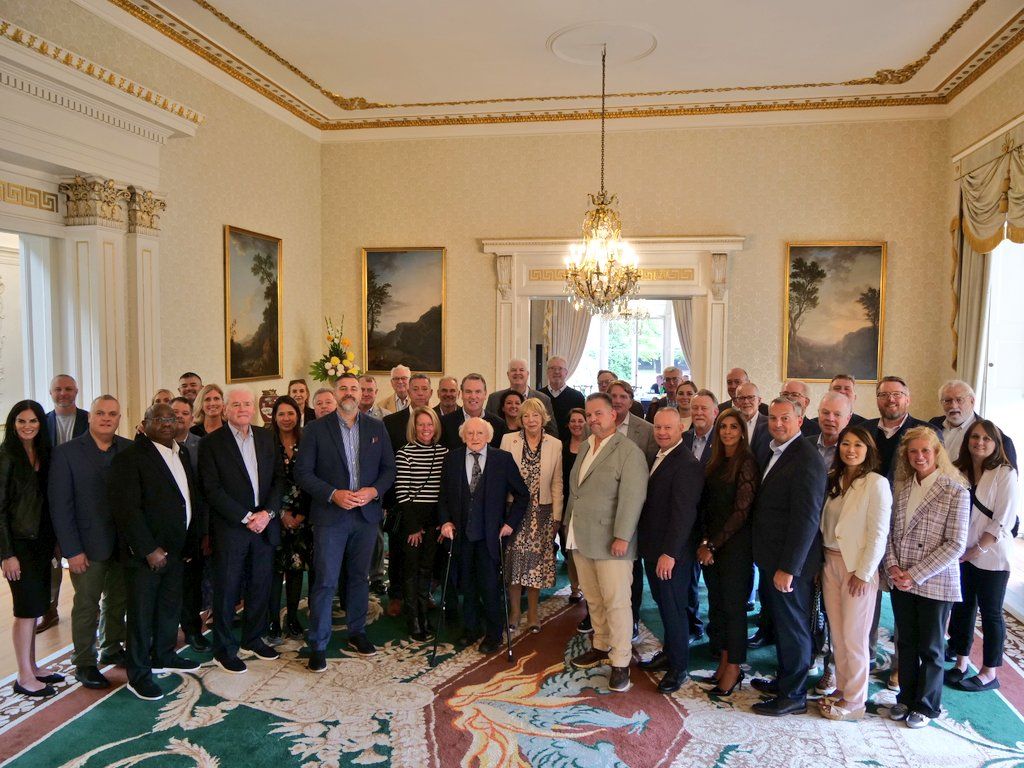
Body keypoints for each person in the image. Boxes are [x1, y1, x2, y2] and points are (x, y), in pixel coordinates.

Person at [295, 374, 396, 671]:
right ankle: (318, 643)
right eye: (344, 388)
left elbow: (389, 469)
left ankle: (357, 632)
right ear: (335, 393)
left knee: (359, 578)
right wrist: (332, 494)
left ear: (362, 392)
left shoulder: (377, 428)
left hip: (365, 517)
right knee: (325, 581)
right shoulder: (315, 429)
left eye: (355, 388)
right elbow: (303, 473)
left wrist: (374, 490)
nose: (350, 393)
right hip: (331, 517)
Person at [109, 404, 204, 701]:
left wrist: (192, 542)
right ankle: (138, 675)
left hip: (177, 550)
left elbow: (188, 499)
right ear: (144, 423)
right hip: (146, 555)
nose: (166, 423)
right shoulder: (130, 457)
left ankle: (164, 654)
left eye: (171, 418)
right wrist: (149, 549)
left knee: (168, 608)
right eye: (159, 419)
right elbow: (127, 510)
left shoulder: (182, 452)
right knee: (141, 614)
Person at [885, 426, 969, 729]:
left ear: (936, 453)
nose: (919, 456)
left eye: (925, 451)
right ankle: (906, 698)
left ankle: (928, 705)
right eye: (913, 451)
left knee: (932, 648)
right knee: (905, 642)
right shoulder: (902, 485)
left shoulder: (955, 490)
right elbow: (891, 531)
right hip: (900, 578)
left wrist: (914, 575)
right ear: (906, 455)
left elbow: (956, 544)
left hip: (934, 580)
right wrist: (894, 568)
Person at [565, 393, 648, 693]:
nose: (592, 419)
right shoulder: (586, 446)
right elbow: (577, 490)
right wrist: (567, 525)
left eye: (598, 413)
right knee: (594, 598)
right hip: (581, 535)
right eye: (589, 415)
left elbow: (633, 496)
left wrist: (622, 536)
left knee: (616, 602)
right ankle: (600, 645)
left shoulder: (629, 451)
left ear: (613, 414)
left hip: (613, 541)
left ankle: (621, 662)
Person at [749, 397, 827, 717]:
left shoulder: (807, 458)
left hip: (790, 564)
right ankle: (785, 680)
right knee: (782, 624)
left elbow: (807, 519)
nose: (778, 424)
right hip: (772, 557)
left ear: (800, 419)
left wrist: (788, 568)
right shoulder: (773, 449)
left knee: (794, 627)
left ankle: (794, 695)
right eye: (773, 419)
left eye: (785, 419)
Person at [198, 386, 285, 673]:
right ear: (225, 409)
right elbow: (212, 489)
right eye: (236, 404)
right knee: (227, 589)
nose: (243, 409)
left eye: (247, 404)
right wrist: (247, 517)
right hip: (232, 528)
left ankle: (252, 638)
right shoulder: (212, 443)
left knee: (260, 585)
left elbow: (278, 480)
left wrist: (268, 514)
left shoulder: (265, 437)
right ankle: (223, 649)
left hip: (264, 527)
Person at [49, 395, 132, 689]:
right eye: (100, 413)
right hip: (85, 546)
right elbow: (61, 507)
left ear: (119, 418)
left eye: (112, 414)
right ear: (90, 417)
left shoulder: (129, 449)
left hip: (122, 546)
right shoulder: (67, 453)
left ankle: (112, 646)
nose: (106, 418)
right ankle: (84, 661)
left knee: (118, 600)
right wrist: (72, 551)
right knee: (86, 605)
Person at [818, 426, 893, 722]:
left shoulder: (876, 483)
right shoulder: (834, 479)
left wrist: (864, 573)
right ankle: (843, 689)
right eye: (846, 444)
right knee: (837, 633)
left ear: (868, 450)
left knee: (854, 636)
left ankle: (856, 700)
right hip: (830, 562)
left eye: (858, 445)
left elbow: (879, 533)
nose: (850, 449)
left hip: (856, 568)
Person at [439, 417, 529, 654]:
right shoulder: (453, 458)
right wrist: (445, 521)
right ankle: (471, 629)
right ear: (463, 436)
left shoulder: (502, 459)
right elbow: (443, 497)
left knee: (489, 586)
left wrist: (510, 524)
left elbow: (522, 495)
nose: (475, 438)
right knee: (466, 585)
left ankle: (493, 633)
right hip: (461, 535)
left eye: (480, 433)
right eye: (470, 433)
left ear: (488, 436)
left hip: (490, 536)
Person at [946, 420, 1018, 692]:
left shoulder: (1005, 473)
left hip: (992, 555)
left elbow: (1003, 519)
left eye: (987, 438)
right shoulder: (958, 469)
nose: (980, 442)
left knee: (990, 613)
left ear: (996, 443)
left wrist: (977, 549)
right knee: (963, 608)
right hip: (960, 552)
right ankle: (961, 663)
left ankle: (990, 672)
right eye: (975, 437)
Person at [636, 408, 704, 693]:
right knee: (664, 606)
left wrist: (670, 554)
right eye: (658, 428)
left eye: (668, 428)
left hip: (670, 554)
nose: (662, 432)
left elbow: (683, 515)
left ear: (681, 429)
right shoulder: (659, 455)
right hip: (654, 548)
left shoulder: (686, 463)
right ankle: (670, 654)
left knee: (675, 609)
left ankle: (678, 668)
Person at [1, 400, 62, 697]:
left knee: (38, 605)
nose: (28, 426)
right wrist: (6, 554)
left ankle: (34, 666)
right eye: (22, 421)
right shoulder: (5, 457)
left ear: (41, 424)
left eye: (33, 421)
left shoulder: (44, 453)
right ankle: (24, 676)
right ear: (13, 424)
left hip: (41, 542)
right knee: (26, 610)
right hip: (19, 545)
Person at [695, 408, 757, 697]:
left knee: (734, 610)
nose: (728, 432)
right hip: (712, 546)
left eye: (734, 427)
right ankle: (723, 662)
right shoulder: (716, 461)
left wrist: (713, 545)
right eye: (723, 427)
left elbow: (741, 512)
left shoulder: (747, 462)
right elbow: (707, 505)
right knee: (718, 607)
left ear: (742, 431)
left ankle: (734, 667)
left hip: (735, 548)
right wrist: (706, 539)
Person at [502, 398, 563, 633]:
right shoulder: (509, 440)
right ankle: (516, 611)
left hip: (543, 512)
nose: (530, 420)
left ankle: (534, 613)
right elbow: (502, 478)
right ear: (521, 419)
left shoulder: (555, 444)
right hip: (515, 512)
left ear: (543, 417)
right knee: (515, 562)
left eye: (535, 415)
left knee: (536, 565)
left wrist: (557, 516)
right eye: (526, 416)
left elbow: (557, 482)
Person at [393, 407, 448, 640]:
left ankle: (424, 614)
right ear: (413, 428)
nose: (425, 429)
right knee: (411, 571)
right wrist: (413, 527)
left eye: (429, 424)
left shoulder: (444, 452)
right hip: (412, 520)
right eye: (421, 424)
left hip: (435, 520)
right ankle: (413, 618)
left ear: (435, 426)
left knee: (427, 569)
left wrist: (442, 523)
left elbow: (445, 492)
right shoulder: (405, 453)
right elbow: (402, 494)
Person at [41, 374, 89, 632]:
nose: (63, 393)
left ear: (76, 391)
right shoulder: (41, 422)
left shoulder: (89, 419)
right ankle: (50, 609)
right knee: (52, 558)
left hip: (82, 499)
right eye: (58, 389)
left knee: (82, 556)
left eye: (68, 389)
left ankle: (89, 606)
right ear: (50, 392)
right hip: (49, 498)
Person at [268, 396, 312, 641]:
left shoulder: (307, 441)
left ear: (298, 415)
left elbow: (313, 477)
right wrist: (282, 513)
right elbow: (265, 482)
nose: (286, 418)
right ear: (274, 417)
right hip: (275, 515)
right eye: (281, 414)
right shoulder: (266, 443)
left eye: (291, 413)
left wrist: (302, 513)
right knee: (274, 570)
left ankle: (292, 617)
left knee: (296, 569)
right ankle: (273, 620)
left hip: (302, 514)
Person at [171, 396, 209, 652]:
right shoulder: (153, 445)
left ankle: (193, 630)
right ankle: (164, 634)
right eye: (175, 413)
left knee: (193, 584)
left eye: (185, 413)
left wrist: (205, 531)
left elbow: (208, 490)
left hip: (195, 525)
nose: (180, 417)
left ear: (192, 418)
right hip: (166, 528)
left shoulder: (202, 446)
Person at [929, 380, 1017, 467]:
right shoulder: (933, 425)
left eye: (959, 400)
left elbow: (1008, 474)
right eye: (947, 401)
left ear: (972, 401)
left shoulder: (995, 435)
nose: (953, 406)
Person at [865, 376, 938, 478]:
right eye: (884, 394)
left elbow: (937, 471)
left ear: (907, 400)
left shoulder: (929, 431)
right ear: (877, 400)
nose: (890, 399)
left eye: (897, 394)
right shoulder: (863, 429)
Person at [440, 374, 508, 450]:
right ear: (462, 394)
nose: (473, 396)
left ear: (485, 394)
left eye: (478, 392)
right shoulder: (445, 423)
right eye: (468, 391)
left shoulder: (499, 425)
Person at [560, 408, 586, 603]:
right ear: (568, 424)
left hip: (586, 503)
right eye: (573, 421)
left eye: (580, 420)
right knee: (570, 548)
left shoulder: (591, 445)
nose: (577, 424)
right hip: (566, 503)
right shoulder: (562, 446)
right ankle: (575, 588)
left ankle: (588, 586)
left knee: (585, 549)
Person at [539, 356, 585, 436]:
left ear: (566, 372)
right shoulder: (538, 396)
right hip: (543, 443)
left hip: (569, 444)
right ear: (547, 372)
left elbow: (583, 424)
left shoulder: (577, 397)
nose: (556, 372)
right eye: (552, 368)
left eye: (560, 368)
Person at [810, 392, 853, 467]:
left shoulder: (853, 451)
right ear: (818, 414)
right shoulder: (804, 445)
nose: (830, 419)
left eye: (837, 414)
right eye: (825, 413)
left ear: (848, 419)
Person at [733, 382, 771, 466]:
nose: (746, 401)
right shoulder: (731, 425)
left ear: (759, 401)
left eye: (750, 397)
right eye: (741, 398)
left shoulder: (770, 425)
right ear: (736, 402)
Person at [684, 391, 718, 466]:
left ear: (715, 413)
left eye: (704, 408)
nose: (699, 413)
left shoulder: (721, 439)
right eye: (695, 408)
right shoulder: (683, 438)